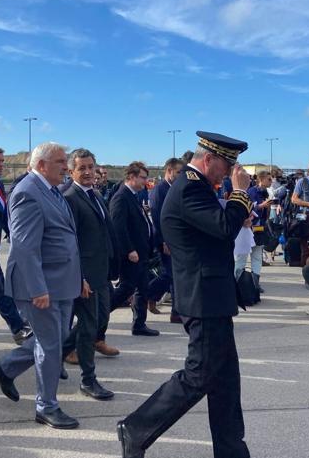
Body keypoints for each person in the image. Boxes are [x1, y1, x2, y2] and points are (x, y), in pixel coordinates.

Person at [117, 131, 253, 458]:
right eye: (227, 165)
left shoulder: (198, 186)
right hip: (203, 298)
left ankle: (232, 451)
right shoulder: (191, 188)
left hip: (213, 296)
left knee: (225, 384)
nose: (230, 172)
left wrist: (235, 203)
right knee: (199, 375)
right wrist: (239, 194)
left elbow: (217, 232)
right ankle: (136, 428)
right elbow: (223, 226)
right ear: (209, 160)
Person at [0, 142, 83, 429]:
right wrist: (37, 289)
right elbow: (25, 247)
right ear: (41, 165)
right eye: (60, 162)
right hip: (43, 286)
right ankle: (46, 406)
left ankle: (6, 367)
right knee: (51, 345)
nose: (66, 167)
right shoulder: (28, 193)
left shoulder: (52, 190)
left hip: (62, 281)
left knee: (54, 338)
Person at [61, 148, 117, 400]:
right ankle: (88, 379)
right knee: (87, 327)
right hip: (84, 276)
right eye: (81, 168)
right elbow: (69, 242)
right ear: (71, 171)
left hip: (100, 272)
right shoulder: (70, 197)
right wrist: (79, 276)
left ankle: (12, 365)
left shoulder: (95, 194)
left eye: (90, 167)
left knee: (93, 322)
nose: (87, 172)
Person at [0, 146, 33, 346]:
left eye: (3, 161)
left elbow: (2, 212)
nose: (2, 165)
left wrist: (11, 232)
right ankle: (17, 326)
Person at [109, 161, 158, 337]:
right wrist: (129, 249)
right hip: (132, 255)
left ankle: (139, 324)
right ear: (131, 177)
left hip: (141, 253)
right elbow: (118, 227)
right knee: (126, 288)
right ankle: (99, 316)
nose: (146, 181)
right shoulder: (121, 197)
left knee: (142, 288)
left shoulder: (133, 196)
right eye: (143, 178)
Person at [148, 157, 183, 322]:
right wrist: (164, 241)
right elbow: (157, 217)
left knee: (174, 275)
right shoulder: (159, 190)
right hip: (164, 240)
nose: (180, 175)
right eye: (178, 172)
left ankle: (175, 311)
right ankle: (143, 295)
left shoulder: (173, 188)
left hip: (174, 239)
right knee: (170, 274)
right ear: (169, 171)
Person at [239, 170, 272, 292]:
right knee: (242, 256)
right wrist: (262, 206)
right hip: (248, 228)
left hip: (260, 228)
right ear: (261, 179)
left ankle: (255, 283)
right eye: (269, 179)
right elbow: (248, 208)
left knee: (257, 256)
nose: (271, 181)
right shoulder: (252, 191)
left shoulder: (265, 192)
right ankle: (239, 282)